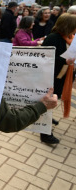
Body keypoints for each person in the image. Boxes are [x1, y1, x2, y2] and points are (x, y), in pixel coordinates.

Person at [41, 13, 76, 144]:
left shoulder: (68, 38)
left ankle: (47, 119)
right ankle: (45, 134)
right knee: (48, 102)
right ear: (69, 26)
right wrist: (64, 61)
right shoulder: (53, 38)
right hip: (51, 77)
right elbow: (44, 58)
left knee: (53, 101)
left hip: (61, 77)